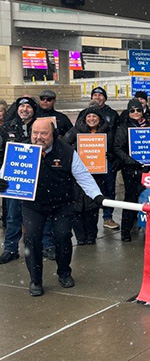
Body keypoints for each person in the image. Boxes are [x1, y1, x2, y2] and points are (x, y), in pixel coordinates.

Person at [14, 119, 104, 296]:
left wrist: (97, 195)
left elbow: (83, 176)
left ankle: (64, 272)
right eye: (35, 133)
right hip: (34, 204)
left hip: (62, 204)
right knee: (32, 238)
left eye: (44, 133)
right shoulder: (21, 150)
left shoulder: (67, 151)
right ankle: (35, 280)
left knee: (63, 236)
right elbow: (8, 173)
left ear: (53, 134)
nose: (38, 137)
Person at [114, 99, 150, 242]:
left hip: (149, 169)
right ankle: (126, 231)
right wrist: (132, 161)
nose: (136, 113)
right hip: (131, 169)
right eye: (132, 110)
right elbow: (118, 148)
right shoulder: (123, 128)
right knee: (130, 199)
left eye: (138, 110)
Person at [63, 104, 114, 245]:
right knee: (78, 207)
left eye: (94, 116)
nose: (91, 119)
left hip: (98, 174)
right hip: (78, 175)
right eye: (89, 116)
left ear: (100, 118)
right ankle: (80, 237)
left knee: (93, 206)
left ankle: (91, 236)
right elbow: (64, 146)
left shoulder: (107, 131)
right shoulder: (76, 131)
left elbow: (113, 149)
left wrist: (107, 155)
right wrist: (77, 150)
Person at [0, 97, 39, 264]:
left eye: (28, 106)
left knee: (41, 215)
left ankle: (46, 246)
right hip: (14, 180)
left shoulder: (41, 126)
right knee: (12, 216)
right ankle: (10, 248)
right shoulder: (6, 128)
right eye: (22, 106)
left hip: (38, 180)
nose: (25, 109)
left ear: (33, 109)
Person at [77, 87, 120, 230]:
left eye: (100, 95)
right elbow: (75, 135)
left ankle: (108, 217)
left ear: (105, 98)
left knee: (109, 190)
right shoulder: (83, 114)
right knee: (89, 190)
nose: (97, 97)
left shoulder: (112, 114)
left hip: (106, 161)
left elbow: (117, 137)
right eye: (94, 95)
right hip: (88, 161)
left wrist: (114, 156)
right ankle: (89, 218)